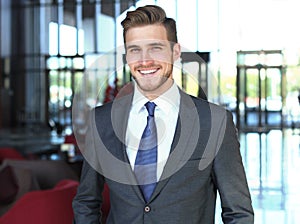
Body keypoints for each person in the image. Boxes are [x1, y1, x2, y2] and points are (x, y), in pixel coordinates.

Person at [72, 5, 254, 224]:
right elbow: (86, 202)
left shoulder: (214, 122)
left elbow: (238, 213)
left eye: (155, 48)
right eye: (135, 49)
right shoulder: (101, 121)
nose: (145, 60)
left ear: (175, 52)